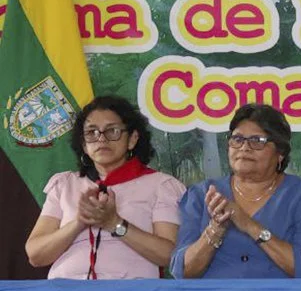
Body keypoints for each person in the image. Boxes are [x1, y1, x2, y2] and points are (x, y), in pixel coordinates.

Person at [25, 95, 185, 279]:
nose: (101, 139)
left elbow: (170, 256)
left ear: (132, 139)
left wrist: (115, 224)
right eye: (91, 132)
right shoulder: (64, 184)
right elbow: (35, 255)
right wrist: (79, 222)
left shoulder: (160, 185)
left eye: (112, 131)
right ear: (84, 145)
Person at [171, 103, 301, 278]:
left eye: (257, 141)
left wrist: (249, 225)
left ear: (280, 153)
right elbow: (183, 273)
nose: (244, 147)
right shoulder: (202, 194)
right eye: (237, 139)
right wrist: (215, 229)